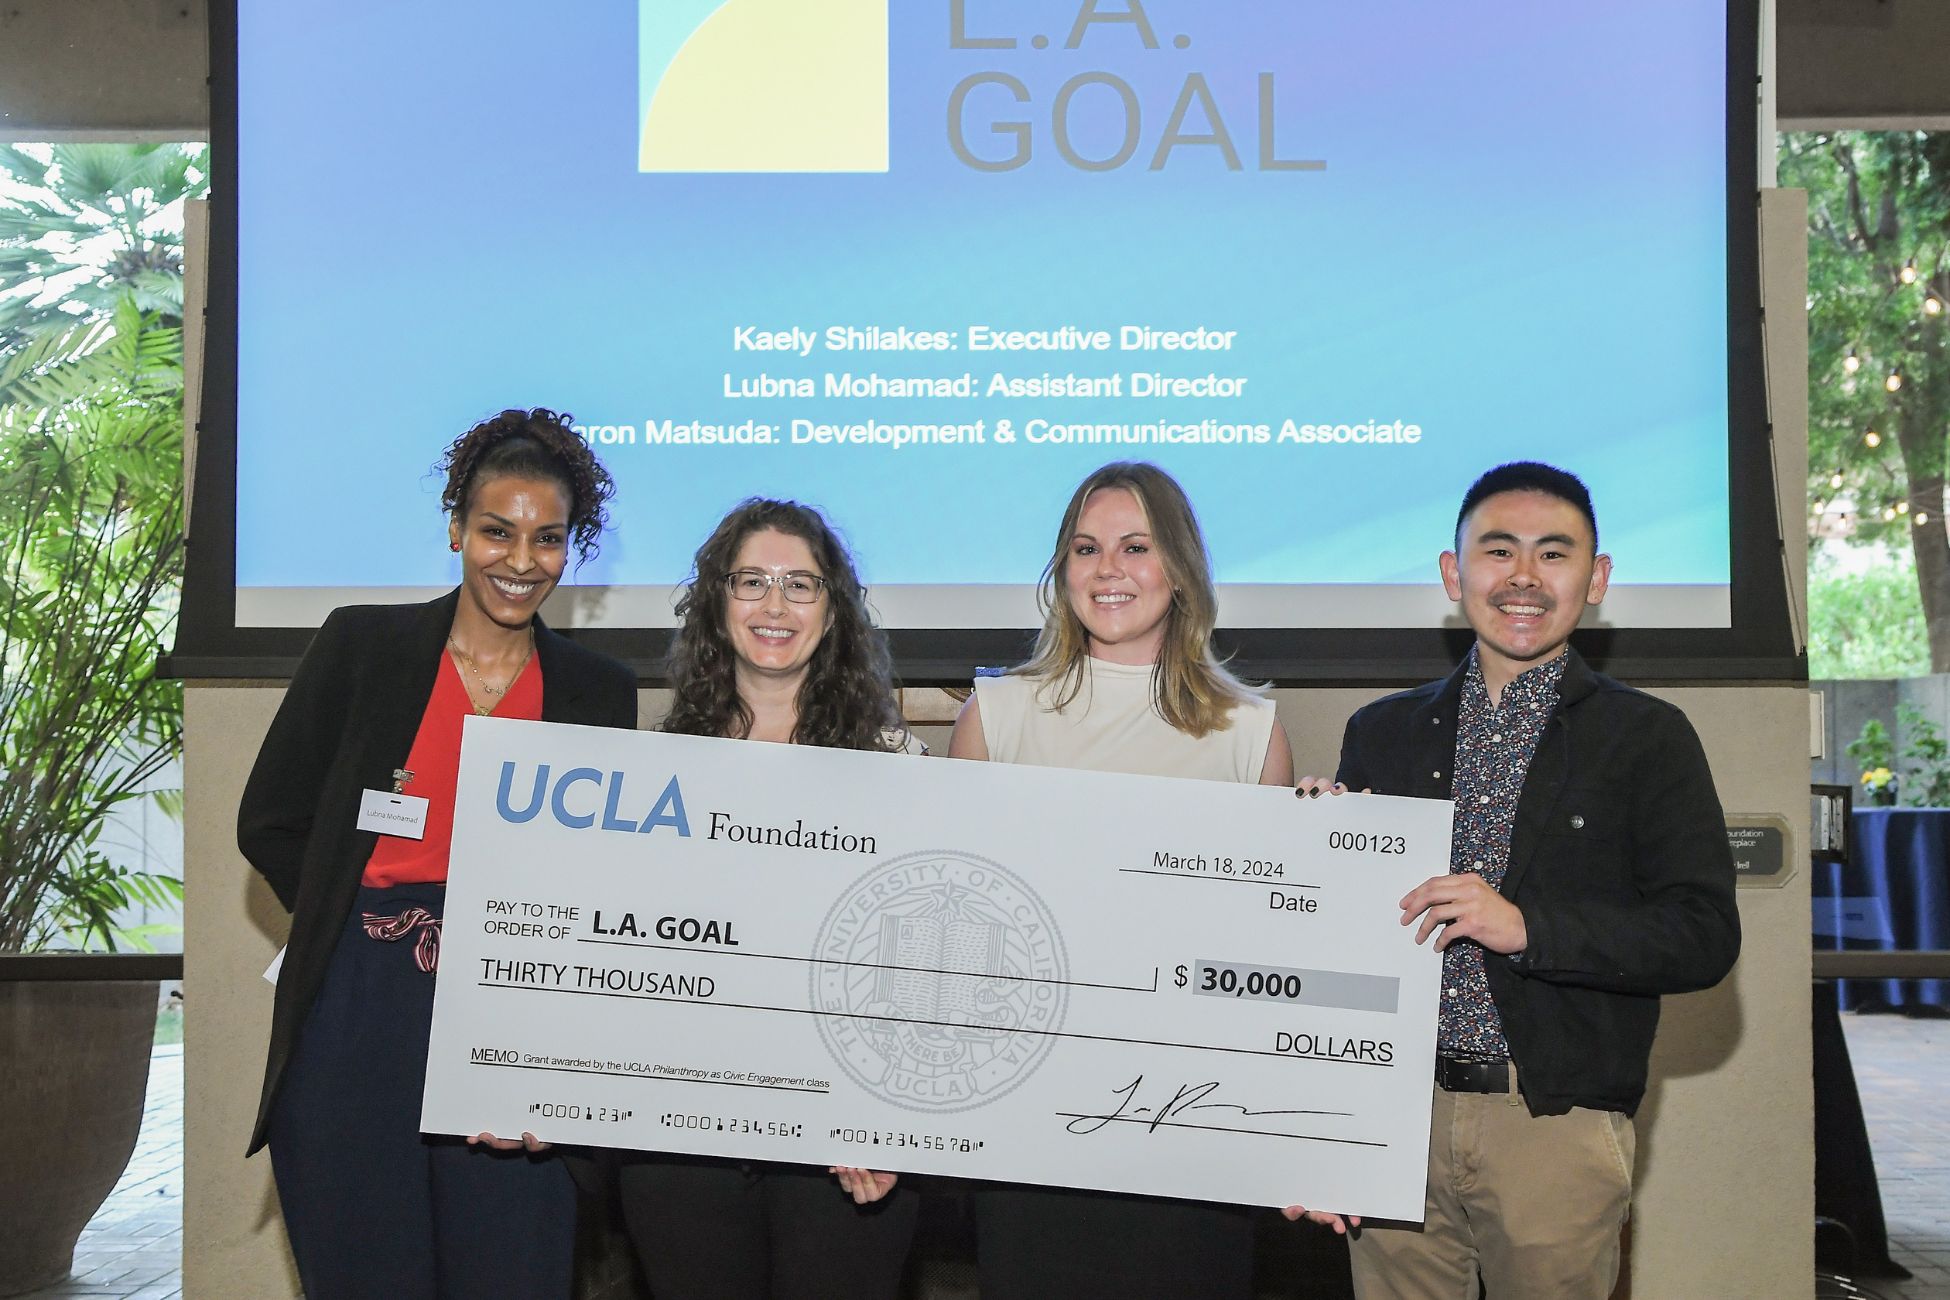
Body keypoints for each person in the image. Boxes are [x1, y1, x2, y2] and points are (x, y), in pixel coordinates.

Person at [1286, 461, 1740, 1300]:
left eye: (1554, 554)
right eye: (1499, 552)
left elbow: (1703, 935)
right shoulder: (1381, 732)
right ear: (1454, 575)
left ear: (1596, 579)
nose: (1524, 577)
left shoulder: (1649, 738)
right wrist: (1317, 845)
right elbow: (1337, 951)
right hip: (1395, 1119)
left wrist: (1528, 927)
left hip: (1555, 1124)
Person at [238, 408, 638, 1299]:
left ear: (574, 548)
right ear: (457, 526)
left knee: (514, 1267)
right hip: (359, 1010)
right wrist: (353, 922)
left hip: (513, 1008)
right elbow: (269, 818)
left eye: (548, 538)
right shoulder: (361, 646)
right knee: (366, 1268)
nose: (521, 560)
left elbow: (605, 877)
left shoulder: (597, 691)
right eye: (497, 531)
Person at [948, 461, 1294, 1300]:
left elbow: (1275, 956)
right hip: (1029, 1115)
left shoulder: (1252, 731)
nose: (1109, 571)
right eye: (1087, 548)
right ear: (1061, 571)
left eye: (1136, 547)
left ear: (1179, 569)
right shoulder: (997, 715)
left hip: (1194, 1122)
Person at [614, 498, 920, 1300]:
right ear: (717, 601)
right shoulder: (650, 773)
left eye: (801, 584)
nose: (775, 606)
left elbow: (928, 973)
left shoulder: (906, 769)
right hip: (681, 1148)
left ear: (835, 608)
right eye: (752, 581)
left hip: (849, 1145)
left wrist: (892, 1120)